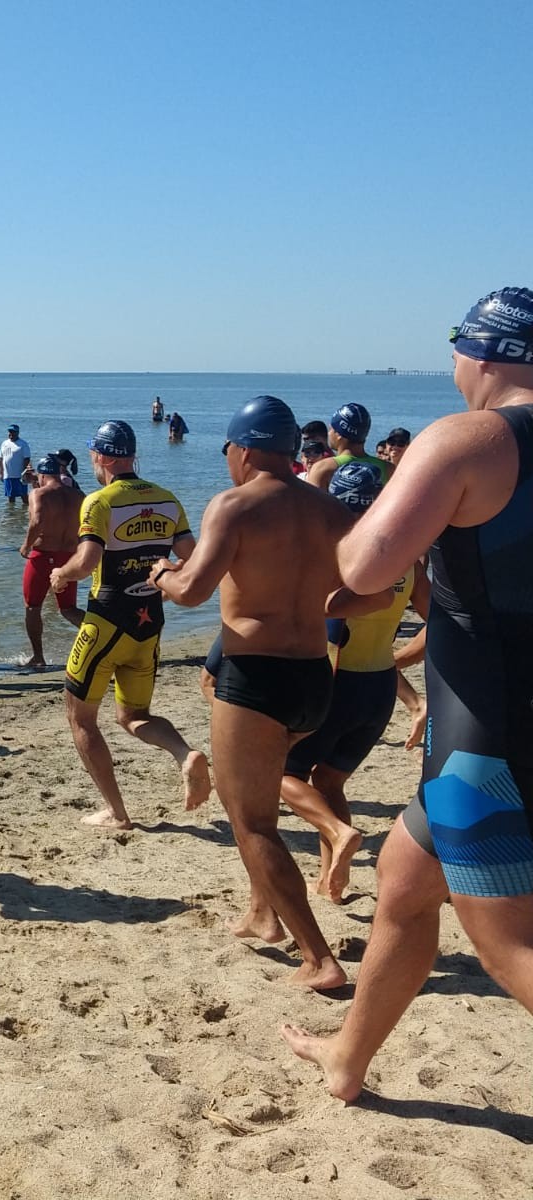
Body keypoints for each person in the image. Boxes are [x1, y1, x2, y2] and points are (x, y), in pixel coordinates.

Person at [284, 286, 533, 1099]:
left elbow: (363, 570)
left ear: (484, 354)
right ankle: (347, 1059)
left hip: (485, 745)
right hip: (496, 730)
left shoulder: (468, 441)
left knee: (507, 950)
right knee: (402, 885)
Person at [153, 397, 353, 991]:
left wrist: (163, 576)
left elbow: (192, 591)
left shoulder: (234, 505)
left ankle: (318, 958)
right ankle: (264, 914)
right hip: (315, 676)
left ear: (242, 450)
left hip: (254, 680)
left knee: (253, 823)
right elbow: (371, 587)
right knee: (261, 800)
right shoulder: (331, 509)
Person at [51, 420, 210, 829]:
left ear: (102, 456)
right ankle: (183, 754)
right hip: (149, 625)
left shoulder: (100, 502)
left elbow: (86, 563)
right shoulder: (167, 499)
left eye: (93, 453)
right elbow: (193, 558)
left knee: (80, 717)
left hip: (105, 623)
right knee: (134, 714)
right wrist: (162, 572)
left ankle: (117, 813)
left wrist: (61, 575)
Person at [281, 462, 425, 904]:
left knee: (276, 773)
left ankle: (338, 831)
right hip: (379, 689)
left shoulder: (338, 554)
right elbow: (441, 622)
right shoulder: (407, 557)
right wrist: (404, 664)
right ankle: (332, 882)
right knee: (330, 782)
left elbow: (316, 610)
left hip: (334, 687)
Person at [19, 455, 86, 669]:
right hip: (68, 556)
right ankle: (102, 637)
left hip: (42, 555)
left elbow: (37, 520)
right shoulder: (78, 495)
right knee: (68, 609)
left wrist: (26, 545)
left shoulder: (38, 493)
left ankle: (38, 656)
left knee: (32, 607)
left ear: (42, 474)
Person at [306, 402, 388, 489]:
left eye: (331, 429)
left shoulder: (323, 468)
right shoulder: (388, 468)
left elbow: (310, 502)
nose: (329, 433)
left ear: (339, 435)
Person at [0, 424, 31, 504]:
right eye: (10, 432)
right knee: (10, 497)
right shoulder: (4, 443)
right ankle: (12, 515)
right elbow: (0, 458)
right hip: (8, 475)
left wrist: (25, 473)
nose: (11, 434)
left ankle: (27, 512)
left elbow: (27, 459)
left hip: (20, 475)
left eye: (13, 432)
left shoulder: (23, 444)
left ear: (17, 433)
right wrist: (1, 472)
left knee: (24, 496)